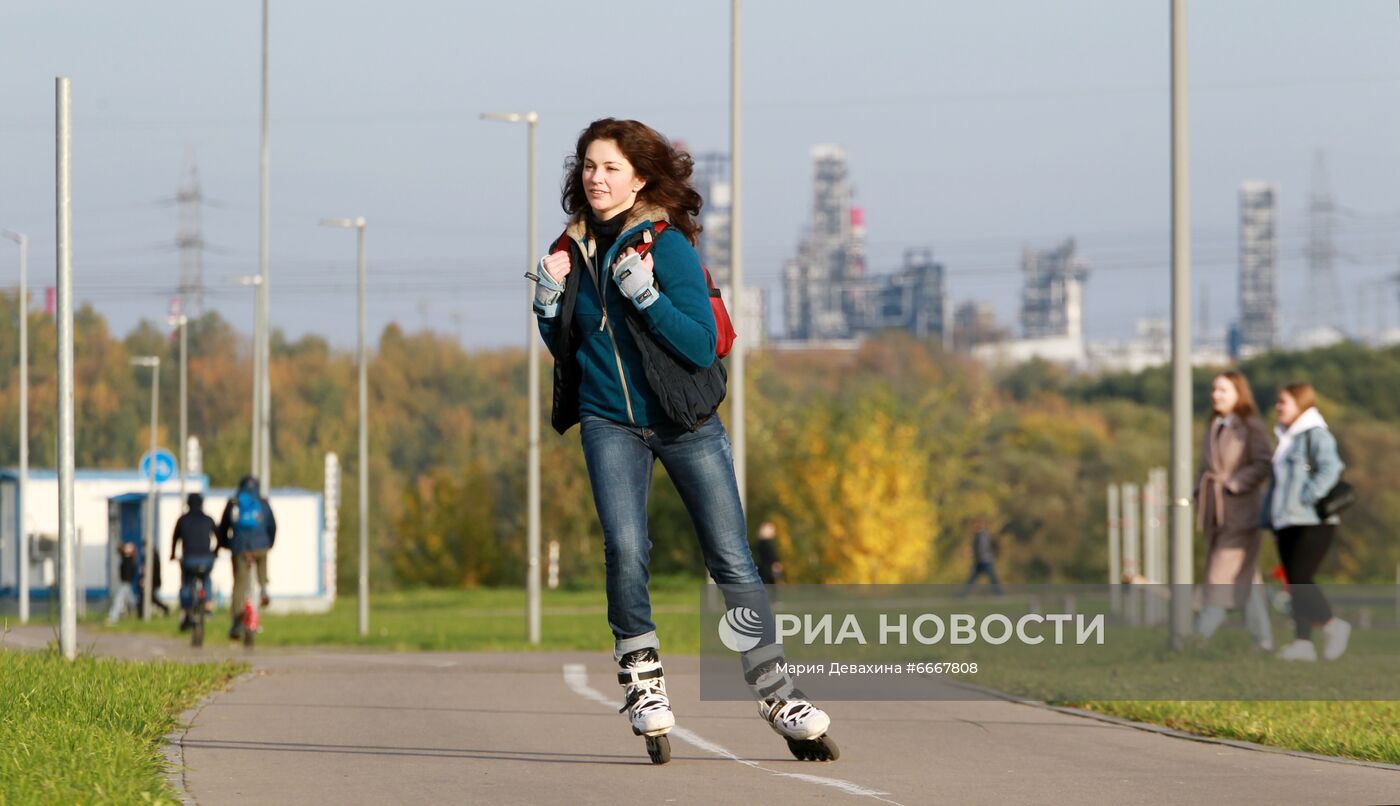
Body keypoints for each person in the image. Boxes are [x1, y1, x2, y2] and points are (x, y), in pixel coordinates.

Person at [530, 118, 833, 761]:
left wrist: (646, 297)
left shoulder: (666, 247)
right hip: (610, 420)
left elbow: (701, 343)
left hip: (685, 422)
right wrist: (549, 307)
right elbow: (569, 350)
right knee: (626, 545)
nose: (597, 178)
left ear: (639, 178)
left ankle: (776, 690)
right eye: (588, 166)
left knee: (729, 559)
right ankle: (643, 680)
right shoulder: (571, 246)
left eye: (611, 168)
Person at [1265, 382, 1349, 661]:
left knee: (1301, 579)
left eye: (1283, 402)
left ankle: (1332, 625)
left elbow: (1332, 468)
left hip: (1312, 520)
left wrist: (1306, 496)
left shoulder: (1315, 434)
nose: (1278, 407)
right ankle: (1303, 643)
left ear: (1300, 404)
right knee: (1293, 582)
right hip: (1285, 521)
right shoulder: (1286, 438)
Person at [1193, 371, 1274, 650]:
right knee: (1245, 578)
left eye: (1223, 390)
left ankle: (1196, 637)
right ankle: (1262, 639)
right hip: (1216, 512)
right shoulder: (1214, 425)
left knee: (1220, 577)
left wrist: (1235, 484)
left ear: (1239, 394)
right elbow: (1206, 467)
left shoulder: (1250, 427)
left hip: (1241, 514)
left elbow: (1264, 463)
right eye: (1214, 389)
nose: (1216, 395)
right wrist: (1197, 492)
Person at [218, 475, 276, 640]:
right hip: (261, 546)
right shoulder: (263, 502)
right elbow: (272, 525)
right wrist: (269, 543)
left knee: (239, 584)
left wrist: (226, 544)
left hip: (240, 547)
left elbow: (223, 527)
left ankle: (237, 622)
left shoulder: (234, 503)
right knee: (262, 561)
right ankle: (264, 586)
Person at [171, 492, 219, 632]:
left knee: (186, 581)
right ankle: (208, 605)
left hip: (189, 559)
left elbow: (175, 539)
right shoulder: (208, 519)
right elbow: (219, 536)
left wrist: (173, 555)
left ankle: (186, 610)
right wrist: (215, 552)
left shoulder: (183, 520)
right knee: (207, 578)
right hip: (206, 559)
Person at [959, 520, 1004, 596]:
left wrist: (994, 555)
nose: (975, 527)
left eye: (976, 525)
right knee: (972, 579)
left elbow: (991, 546)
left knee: (992, 578)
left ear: (981, 525)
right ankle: (963, 594)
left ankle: (999, 594)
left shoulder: (986, 535)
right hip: (979, 561)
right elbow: (977, 548)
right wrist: (971, 552)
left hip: (986, 561)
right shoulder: (977, 536)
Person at [106, 541, 138, 624]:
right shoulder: (125, 557)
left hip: (126, 583)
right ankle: (139, 613)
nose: (127, 547)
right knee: (132, 601)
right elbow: (119, 549)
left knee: (118, 600)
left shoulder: (130, 559)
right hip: (125, 583)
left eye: (129, 547)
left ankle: (113, 617)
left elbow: (130, 572)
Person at [754, 521, 784, 586]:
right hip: (768, 576)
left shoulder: (760, 543)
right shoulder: (767, 545)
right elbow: (775, 564)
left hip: (762, 573)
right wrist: (779, 578)